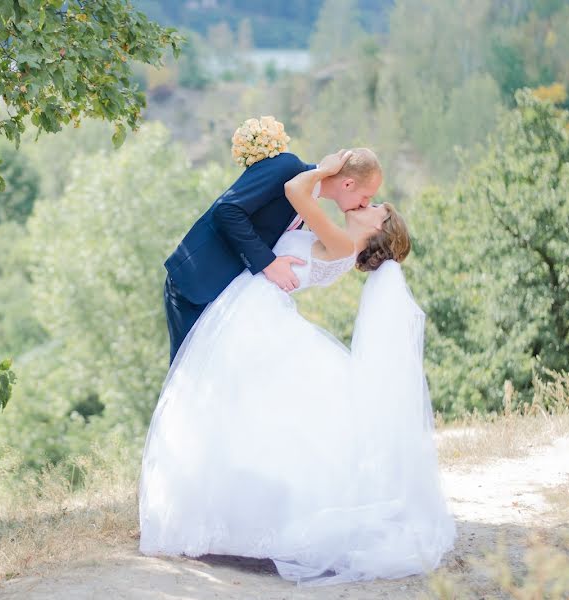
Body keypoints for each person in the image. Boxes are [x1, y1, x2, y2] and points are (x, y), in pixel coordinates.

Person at [139, 151, 456, 585]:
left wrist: (322, 171)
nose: (368, 205)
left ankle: (214, 515)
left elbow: (293, 191)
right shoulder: (336, 236)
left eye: (375, 207)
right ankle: (222, 512)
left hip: (254, 312)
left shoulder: (344, 243)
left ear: (378, 229)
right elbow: (267, 211)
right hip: (248, 305)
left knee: (219, 406)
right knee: (235, 412)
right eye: (369, 197)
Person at [163, 146, 382, 364]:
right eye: (366, 196)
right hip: (199, 280)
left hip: (229, 303)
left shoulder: (305, 206)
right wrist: (268, 263)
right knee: (185, 375)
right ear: (348, 184)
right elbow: (227, 210)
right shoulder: (288, 167)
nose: (365, 204)